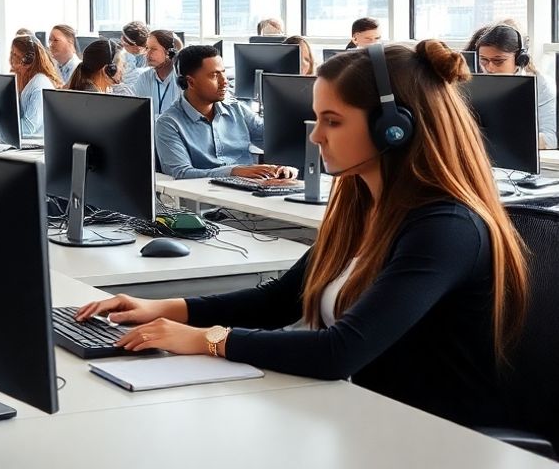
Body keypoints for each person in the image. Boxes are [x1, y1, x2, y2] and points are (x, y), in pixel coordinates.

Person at [75, 41, 530, 433]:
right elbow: (278, 300)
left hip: (434, 436)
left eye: (332, 121)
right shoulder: (361, 206)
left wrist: (205, 339)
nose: (316, 138)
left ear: (393, 128)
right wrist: (162, 308)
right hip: (360, 418)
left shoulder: (445, 227)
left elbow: (339, 351)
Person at [155, 46, 297, 180]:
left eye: (223, 73)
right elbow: (180, 173)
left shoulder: (236, 109)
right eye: (214, 76)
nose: (225, 82)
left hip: (251, 187)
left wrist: (283, 167)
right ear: (191, 82)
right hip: (205, 194)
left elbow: (276, 142)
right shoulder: (169, 123)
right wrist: (234, 172)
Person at [466, 23, 557, 149]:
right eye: (484, 60)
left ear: (520, 59)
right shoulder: (473, 81)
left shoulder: (541, 85)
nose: (489, 68)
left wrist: (505, 139)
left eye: (498, 61)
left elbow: (550, 139)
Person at [8, 35, 63, 137]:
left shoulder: (39, 85)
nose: (11, 60)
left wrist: (0, 129)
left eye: (15, 56)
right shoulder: (24, 80)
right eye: (12, 54)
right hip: (23, 140)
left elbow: (29, 127)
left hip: (35, 143)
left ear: (27, 60)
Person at [126, 29, 184, 119]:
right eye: (147, 48)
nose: (147, 54)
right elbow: (135, 111)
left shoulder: (182, 80)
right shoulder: (144, 78)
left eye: (153, 49)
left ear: (170, 52)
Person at [66, 39, 134, 95]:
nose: (123, 70)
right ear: (109, 70)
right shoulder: (96, 99)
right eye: (122, 66)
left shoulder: (83, 90)